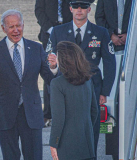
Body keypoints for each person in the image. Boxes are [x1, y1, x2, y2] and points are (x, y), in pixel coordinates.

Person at [0, 9, 58, 160]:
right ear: (3, 28)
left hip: (31, 116)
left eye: (18, 26)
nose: (16, 30)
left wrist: (53, 68)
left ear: (23, 25)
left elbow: (50, 79)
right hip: (6, 115)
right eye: (11, 27)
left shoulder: (36, 48)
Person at [48, 0, 116, 159]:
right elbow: (51, 62)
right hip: (64, 89)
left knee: (90, 132)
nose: (79, 10)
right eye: (76, 7)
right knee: (66, 130)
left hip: (92, 88)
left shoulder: (101, 32)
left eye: (83, 7)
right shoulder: (58, 31)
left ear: (89, 9)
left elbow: (110, 63)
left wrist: (104, 92)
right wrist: (52, 67)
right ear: (70, 8)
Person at [95, 0, 133, 159]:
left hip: (132, 51)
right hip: (111, 53)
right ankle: (114, 150)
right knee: (111, 104)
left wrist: (130, 34)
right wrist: (111, 35)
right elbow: (99, 17)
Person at [49, 41, 98, 160]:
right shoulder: (87, 81)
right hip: (87, 145)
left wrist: (53, 143)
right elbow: (94, 111)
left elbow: (58, 118)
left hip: (66, 146)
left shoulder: (57, 84)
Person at [35, 0, 73, 127]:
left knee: (70, 70)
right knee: (50, 71)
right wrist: (50, 29)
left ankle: (67, 111)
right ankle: (48, 114)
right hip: (49, 33)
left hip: (69, 32)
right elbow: (39, 11)